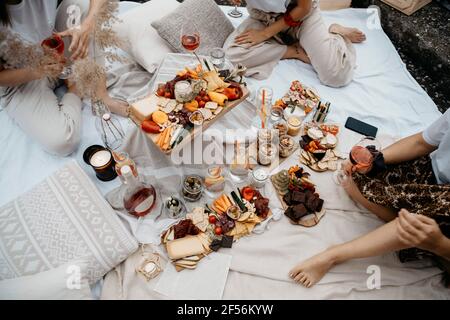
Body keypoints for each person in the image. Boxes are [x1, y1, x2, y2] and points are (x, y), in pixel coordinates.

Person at [289, 109, 450, 288]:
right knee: (359, 172)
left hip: (445, 213)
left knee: (417, 225)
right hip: (427, 175)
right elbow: (420, 143)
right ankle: (396, 220)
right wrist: (375, 160)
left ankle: (332, 255)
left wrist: (439, 245)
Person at [0, 0, 128, 156]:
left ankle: (101, 97)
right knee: (62, 142)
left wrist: (88, 24)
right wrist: (37, 71)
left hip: (55, 44)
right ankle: (76, 87)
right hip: (19, 77)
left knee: (80, 6)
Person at [224, 0, 366, 87]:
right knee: (231, 57)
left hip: (301, 17)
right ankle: (294, 51)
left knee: (335, 75)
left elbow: (304, 8)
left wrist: (264, 34)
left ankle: (335, 32)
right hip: (263, 17)